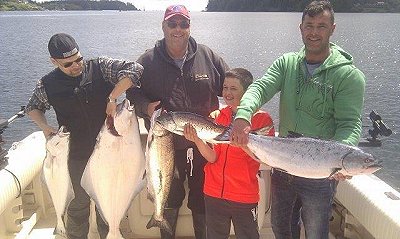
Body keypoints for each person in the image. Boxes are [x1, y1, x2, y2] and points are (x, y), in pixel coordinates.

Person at [230, 1, 365, 239]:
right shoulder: (287, 64)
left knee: (315, 232)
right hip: (283, 166)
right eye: (309, 26)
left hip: (321, 173)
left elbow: (350, 123)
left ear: (332, 29)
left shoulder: (348, 75)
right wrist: (242, 115)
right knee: (281, 228)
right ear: (300, 28)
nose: (314, 32)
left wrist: (342, 159)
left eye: (321, 26)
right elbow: (260, 88)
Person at [25, 33, 143, 239]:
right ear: (54, 62)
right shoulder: (47, 84)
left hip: (110, 154)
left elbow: (135, 70)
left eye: (79, 59)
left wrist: (113, 97)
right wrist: (45, 126)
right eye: (68, 63)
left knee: (107, 208)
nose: (76, 65)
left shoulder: (100, 67)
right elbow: (32, 108)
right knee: (77, 208)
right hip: (75, 157)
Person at [126, 4, 229, 239]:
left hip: (203, 145)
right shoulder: (147, 61)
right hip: (165, 144)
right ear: (163, 26)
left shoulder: (208, 56)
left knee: (203, 197)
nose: (178, 29)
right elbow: (131, 93)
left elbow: (232, 87)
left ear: (189, 27)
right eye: (172, 23)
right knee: (169, 197)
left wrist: (236, 113)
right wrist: (146, 106)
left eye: (183, 24)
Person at [183, 68, 275, 239]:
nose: (227, 93)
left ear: (247, 91)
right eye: (225, 88)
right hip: (213, 192)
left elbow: (265, 160)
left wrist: (244, 145)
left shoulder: (263, 120)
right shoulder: (216, 116)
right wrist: (196, 139)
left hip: (244, 195)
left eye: (233, 88)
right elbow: (212, 157)